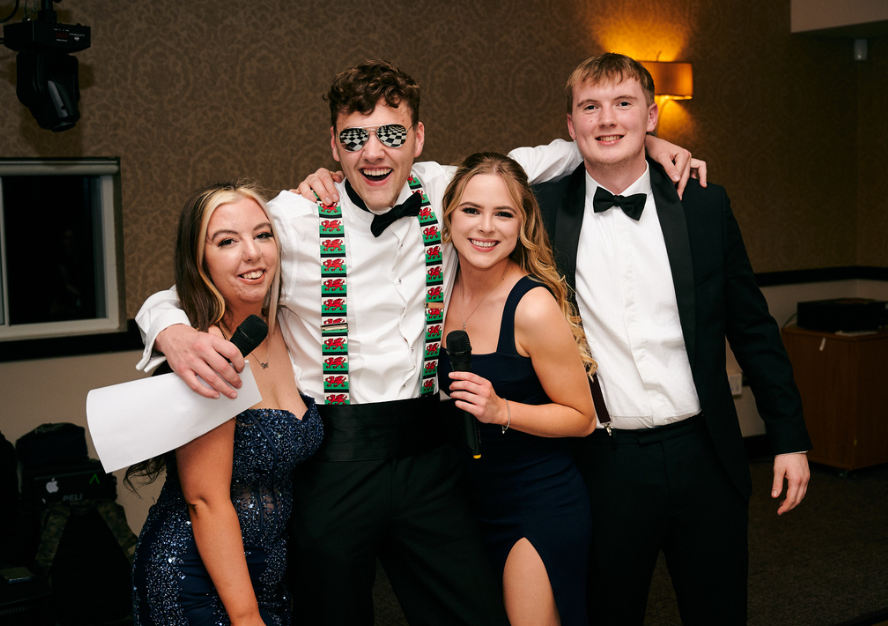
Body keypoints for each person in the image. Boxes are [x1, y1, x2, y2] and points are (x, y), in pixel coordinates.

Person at [134, 60, 701, 626]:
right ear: (334, 144)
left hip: (430, 458)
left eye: (392, 134)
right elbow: (193, 280)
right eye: (355, 137)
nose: (374, 152)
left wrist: (648, 142)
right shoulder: (292, 216)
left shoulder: (446, 190)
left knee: (475, 612)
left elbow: (553, 154)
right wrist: (171, 332)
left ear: (418, 138)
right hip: (335, 460)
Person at [533, 53, 812, 626]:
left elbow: (753, 326)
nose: (607, 120)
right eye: (591, 107)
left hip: (705, 455)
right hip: (602, 464)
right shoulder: (539, 212)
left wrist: (789, 437)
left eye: (623, 104)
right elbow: (450, 186)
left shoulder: (704, 204)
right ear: (570, 126)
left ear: (652, 116)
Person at [129, 182, 323, 626]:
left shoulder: (281, 330)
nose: (252, 253)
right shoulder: (209, 351)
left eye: (263, 235)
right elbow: (205, 501)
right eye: (227, 241)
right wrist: (246, 615)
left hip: (268, 572)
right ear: (200, 262)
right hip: (196, 575)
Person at [438, 152, 596, 626]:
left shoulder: (532, 306)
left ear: (522, 223)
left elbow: (582, 417)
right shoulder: (439, 290)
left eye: (503, 213)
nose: (485, 227)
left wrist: (501, 409)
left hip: (535, 502)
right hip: (461, 502)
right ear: (448, 218)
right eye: (471, 210)